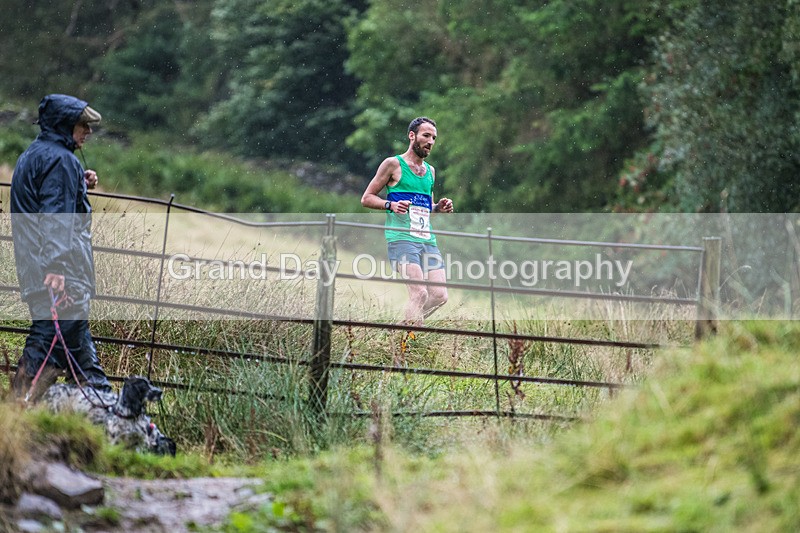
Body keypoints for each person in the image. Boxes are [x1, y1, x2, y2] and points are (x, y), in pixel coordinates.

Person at [10, 94, 111, 400]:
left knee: (78, 351)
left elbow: (47, 200)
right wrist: (58, 267)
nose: (88, 132)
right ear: (65, 125)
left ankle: (104, 409)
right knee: (47, 345)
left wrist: (77, 183)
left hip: (39, 267)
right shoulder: (61, 161)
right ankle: (15, 411)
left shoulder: (37, 154)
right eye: (83, 125)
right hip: (57, 275)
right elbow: (56, 217)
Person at [361, 117, 454, 330]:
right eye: (426, 136)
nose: (430, 141)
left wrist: (438, 208)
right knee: (419, 293)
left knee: (439, 295)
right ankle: (405, 343)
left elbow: (425, 207)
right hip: (402, 238)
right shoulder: (393, 164)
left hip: (427, 240)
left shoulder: (430, 171)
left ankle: (400, 332)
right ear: (412, 136)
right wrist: (390, 205)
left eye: (433, 138)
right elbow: (366, 198)